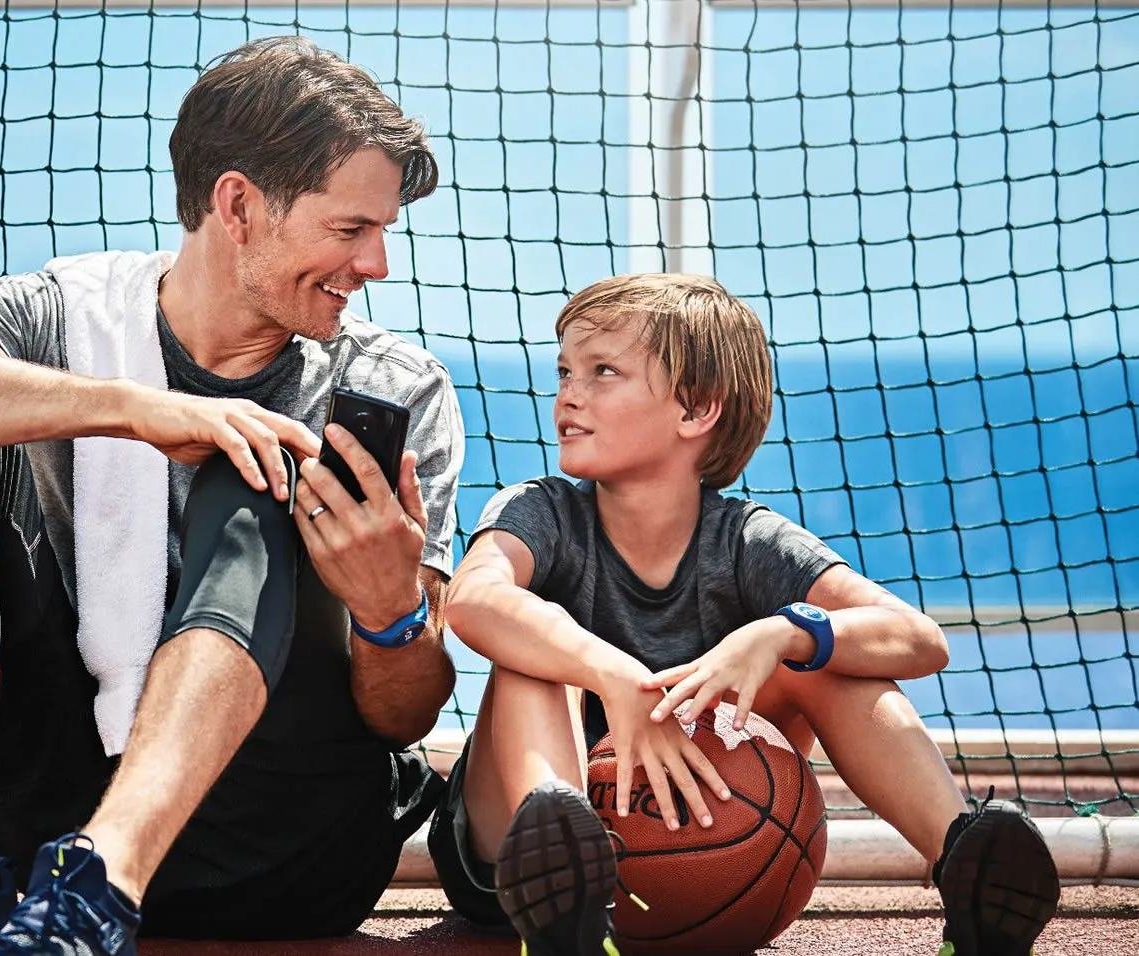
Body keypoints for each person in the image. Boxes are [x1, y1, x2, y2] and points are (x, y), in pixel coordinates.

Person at [0, 36, 466, 956]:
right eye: (349, 230)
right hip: (36, 841)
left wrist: (390, 611)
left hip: (280, 853)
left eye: (382, 233)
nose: (377, 266)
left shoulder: (394, 390)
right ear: (237, 204)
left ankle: (103, 884)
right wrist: (140, 412)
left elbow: (408, 716)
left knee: (261, 468)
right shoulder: (62, 313)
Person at [428, 273, 1061, 956]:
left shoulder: (748, 543)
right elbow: (474, 597)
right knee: (535, 658)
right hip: (502, 855)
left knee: (823, 657)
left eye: (601, 371)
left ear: (696, 409)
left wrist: (784, 632)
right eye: (564, 372)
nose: (567, 397)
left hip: (695, 847)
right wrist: (614, 675)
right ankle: (564, 899)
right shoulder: (542, 510)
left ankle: (964, 863)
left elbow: (919, 640)